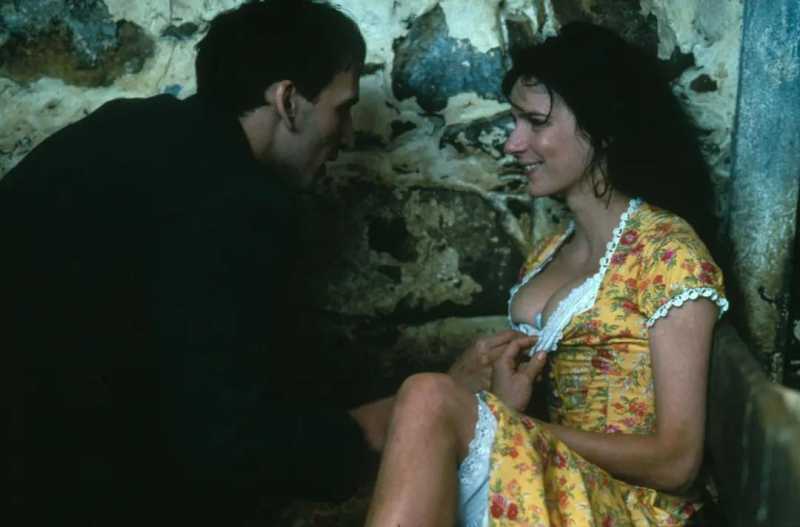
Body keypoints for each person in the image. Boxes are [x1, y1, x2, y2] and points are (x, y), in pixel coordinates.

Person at [2, 1, 399, 524]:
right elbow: (224, 439)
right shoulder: (239, 203)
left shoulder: (128, 126)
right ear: (288, 101)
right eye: (342, 109)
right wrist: (382, 425)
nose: (346, 135)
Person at [365, 22, 730, 527]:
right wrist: (499, 406)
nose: (513, 144)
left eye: (535, 122)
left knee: (428, 398)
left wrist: (506, 423)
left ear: (603, 130)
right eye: (515, 121)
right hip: (554, 474)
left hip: (632, 506)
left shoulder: (667, 252)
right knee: (427, 399)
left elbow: (676, 462)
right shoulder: (548, 252)